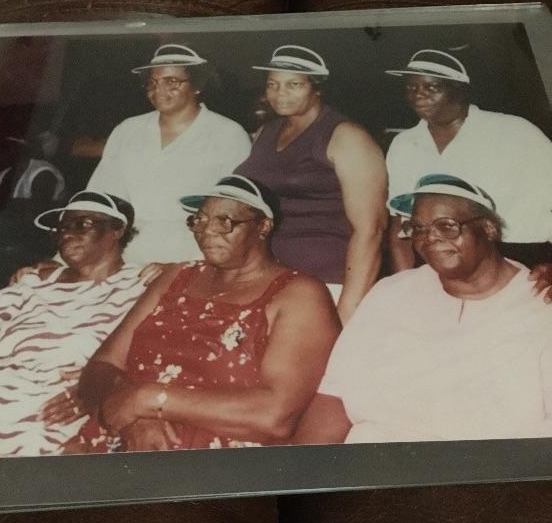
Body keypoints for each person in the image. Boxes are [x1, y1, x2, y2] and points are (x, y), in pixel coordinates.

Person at [77, 175, 341, 452]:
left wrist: (150, 400)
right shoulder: (175, 278)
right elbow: (99, 368)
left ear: (263, 227)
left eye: (225, 221)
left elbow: (275, 416)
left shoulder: (298, 294)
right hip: (125, 439)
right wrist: (135, 421)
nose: (207, 231)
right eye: (199, 220)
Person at [293, 174, 552, 446]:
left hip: (480, 474)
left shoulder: (540, 303)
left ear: (489, 229)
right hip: (370, 463)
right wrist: (296, 479)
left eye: (447, 225)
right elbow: (334, 397)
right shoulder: (391, 294)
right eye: (418, 228)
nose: (430, 238)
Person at [0, 191, 146, 457]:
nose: (67, 233)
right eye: (63, 227)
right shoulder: (31, 283)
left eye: (82, 224)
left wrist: (96, 390)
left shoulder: (140, 286)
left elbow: (146, 358)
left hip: (60, 413)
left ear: (117, 229)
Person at [234, 45, 388, 324]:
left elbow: (371, 230)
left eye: (293, 84)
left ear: (317, 88)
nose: (280, 93)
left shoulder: (347, 136)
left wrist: (347, 312)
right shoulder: (266, 132)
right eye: (273, 84)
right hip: (269, 274)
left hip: (325, 279)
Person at [385, 48, 552, 273]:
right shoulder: (404, 144)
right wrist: (404, 284)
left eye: (431, 87)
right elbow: (401, 227)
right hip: (439, 261)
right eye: (411, 88)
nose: (418, 95)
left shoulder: (514, 131)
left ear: (460, 89)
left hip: (522, 259)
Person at [88, 43, 252, 264]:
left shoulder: (228, 134)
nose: (158, 90)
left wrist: (189, 265)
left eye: (171, 82)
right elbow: (99, 199)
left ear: (196, 85)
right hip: (125, 251)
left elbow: (236, 211)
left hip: (194, 251)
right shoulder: (128, 130)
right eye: (152, 83)